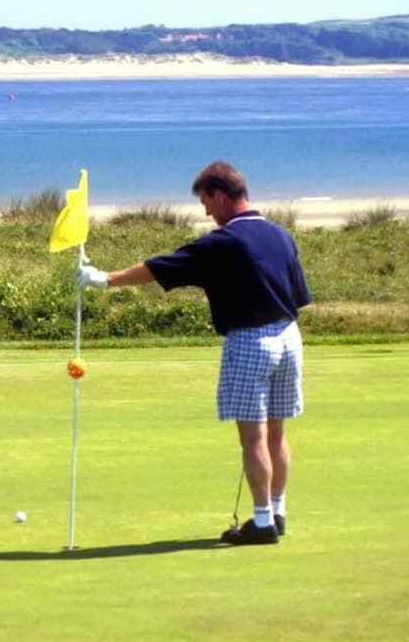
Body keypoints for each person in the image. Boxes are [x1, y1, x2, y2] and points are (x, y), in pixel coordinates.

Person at [76, 162, 311, 545]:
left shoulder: (223, 242)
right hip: (289, 337)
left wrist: (106, 279)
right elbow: (298, 297)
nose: (206, 212)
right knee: (276, 433)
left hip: (251, 342)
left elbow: (160, 268)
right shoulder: (280, 235)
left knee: (252, 438)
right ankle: (277, 511)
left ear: (221, 195)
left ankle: (263, 522)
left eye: (206, 203)